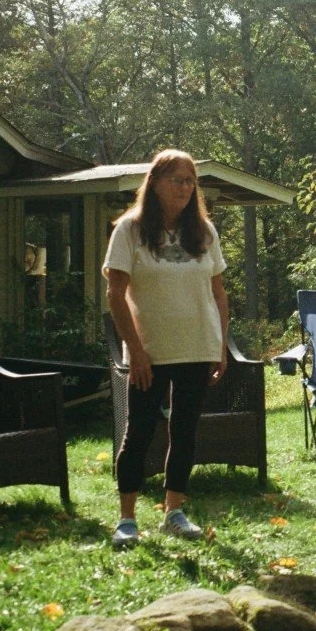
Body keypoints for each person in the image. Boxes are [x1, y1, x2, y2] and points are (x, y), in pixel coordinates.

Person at [105, 150, 229, 548]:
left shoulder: (204, 232)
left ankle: (174, 512)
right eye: (177, 179)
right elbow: (115, 294)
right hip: (150, 352)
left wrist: (221, 345)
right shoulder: (130, 229)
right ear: (154, 182)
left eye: (191, 180)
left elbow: (218, 292)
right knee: (138, 432)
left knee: (185, 431)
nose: (185, 187)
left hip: (197, 345)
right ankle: (126, 519)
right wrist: (135, 351)